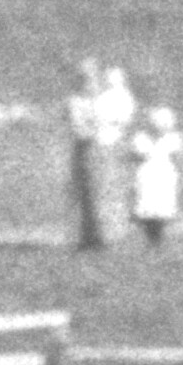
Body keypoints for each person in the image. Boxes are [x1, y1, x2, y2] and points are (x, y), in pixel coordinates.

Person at [64, 59, 118, 249]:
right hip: (85, 149)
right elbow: (79, 128)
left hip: (103, 148)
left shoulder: (105, 100)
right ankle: (87, 237)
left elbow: (112, 124)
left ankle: (106, 236)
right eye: (85, 78)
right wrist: (93, 127)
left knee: (104, 193)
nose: (89, 83)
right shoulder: (74, 101)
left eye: (92, 78)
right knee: (86, 194)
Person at [127, 104, 183, 248]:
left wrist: (181, 174)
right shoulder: (140, 138)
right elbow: (134, 155)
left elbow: (178, 157)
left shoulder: (174, 138)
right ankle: (150, 237)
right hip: (146, 173)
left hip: (165, 173)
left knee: (162, 205)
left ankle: (157, 238)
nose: (159, 126)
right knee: (147, 204)